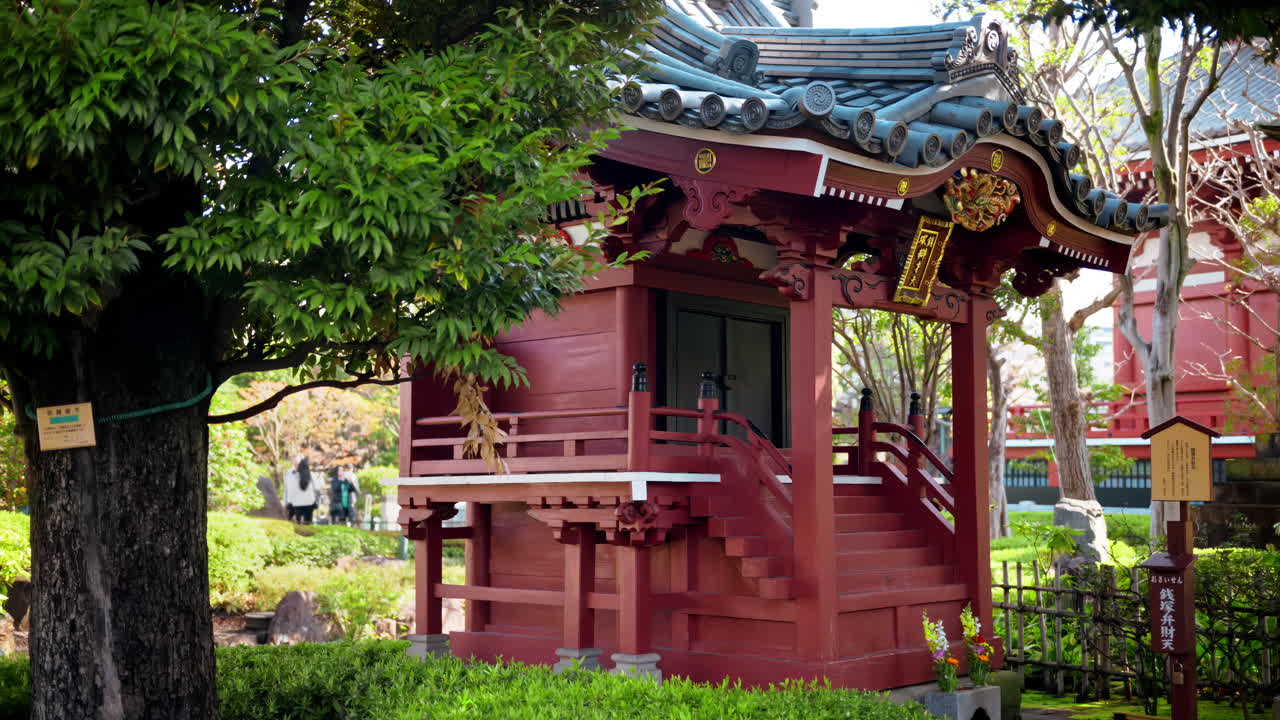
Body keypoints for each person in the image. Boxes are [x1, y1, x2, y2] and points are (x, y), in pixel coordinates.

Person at [283, 456, 318, 524]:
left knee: (306, 523)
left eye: (298, 463)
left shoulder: (308, 473)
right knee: (292, 523)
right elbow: (286, 489)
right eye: (295, 463)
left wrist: (314, 500)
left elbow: (316, 488)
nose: (296, 465)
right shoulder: (289, 473)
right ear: (293, 463)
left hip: (306, 503)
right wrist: (285, 502)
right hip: (291, 503)